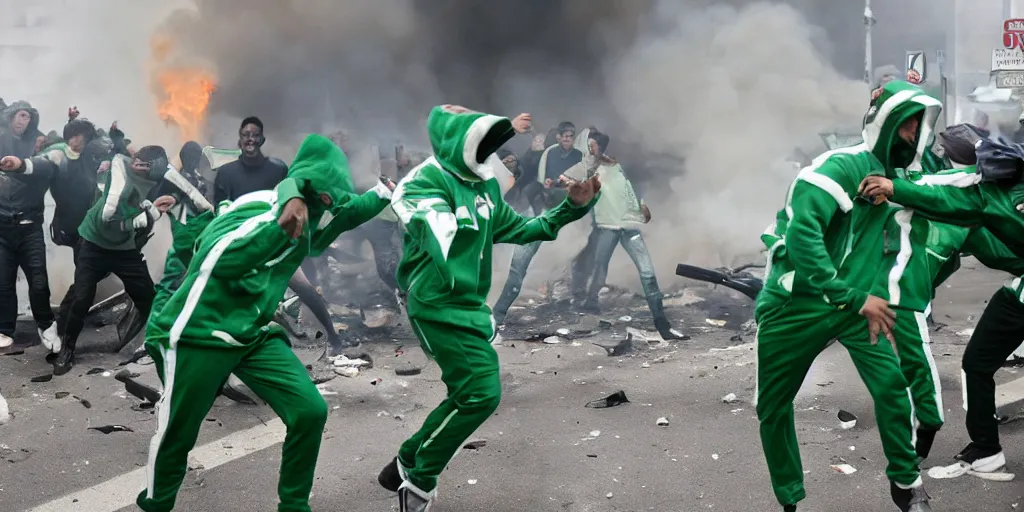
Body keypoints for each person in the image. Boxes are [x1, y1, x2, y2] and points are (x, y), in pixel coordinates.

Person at [137, 134, 393, 512]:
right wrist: (277, 230)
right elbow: (216, 257)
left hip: (252, 333)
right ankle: (156, 505)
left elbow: (343, 213)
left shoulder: (310, 211)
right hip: (200, 332)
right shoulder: (259, 209)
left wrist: (382, 195)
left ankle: (293, 506)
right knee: (178, 432)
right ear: (311, 189)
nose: (326, 210)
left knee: (309, 411)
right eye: (323, 199)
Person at [377, 105, 600, 512]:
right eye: (480, 142)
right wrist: (443, 222)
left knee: (468, 393)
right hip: (434, 305)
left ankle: (405, 460)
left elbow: (520, 228)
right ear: (456, 144)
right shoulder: (424, 181)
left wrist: (573, 207)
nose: (486, 151)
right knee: (481, 393)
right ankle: (418, 483)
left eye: (489, 143)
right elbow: (423, 216)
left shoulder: (486, 186)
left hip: (469, 307)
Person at [756, 81, 936, 512]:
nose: (915, 136)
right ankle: (789, 497)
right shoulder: (836, 167)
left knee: (893, 387)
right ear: (886, 125)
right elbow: (802, 237)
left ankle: (906, 485)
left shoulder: (898, 179)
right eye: (908, 126)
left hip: (856, 306)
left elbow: (949, 192)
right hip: (796, 304)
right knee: (773, 406)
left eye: (918, 127)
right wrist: (852, 296)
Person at [212, 117, 349, 357]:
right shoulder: (225, 174)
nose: (250, 139)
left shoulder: (278, 169)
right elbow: (219, 213)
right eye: (246, 135)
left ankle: (335, 339)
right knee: (236, 297)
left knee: (305, 288)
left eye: (255, 134)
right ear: (240, 138)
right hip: (243, 245)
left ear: (262, 139)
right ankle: (236, 348)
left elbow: (293, 200)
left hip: (276, 242)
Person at [38, 146, 176, 374]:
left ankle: (159, 345)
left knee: (148, 298)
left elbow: (141, 211)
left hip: (125, 249)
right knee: (82, 296)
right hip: (94, 245)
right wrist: (149, 215)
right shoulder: (119, 169)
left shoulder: (153, 178)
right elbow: (109, 219)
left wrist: (157, 208)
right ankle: (67, 350)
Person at [564, 130, 685, 340]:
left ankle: (662, 324)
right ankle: (590, 303)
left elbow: (626, 194)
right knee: (600, 266)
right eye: (590, 145)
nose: (594, 148)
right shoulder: (588, 167)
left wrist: (640, 213)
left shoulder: (615, 166)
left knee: (647, 273)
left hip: (629, 226)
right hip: (608, 227)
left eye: (597, 145)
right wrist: (572, 186)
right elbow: (565, 179)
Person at [0, 116, 93, 352]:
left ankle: (45, 323)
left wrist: (20, 164)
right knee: (4, 284)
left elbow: (42, 165)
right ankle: (5, 329)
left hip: (30, 230)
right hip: (3, 231)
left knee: (39, 283)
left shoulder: (47, 161)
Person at [491, 148, 547, 325]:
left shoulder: (523, 179)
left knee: (515, 274)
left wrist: (533, 150)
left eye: (512, 161)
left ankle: (496, 317)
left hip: (524, 227)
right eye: (505, 162)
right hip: (499, 230)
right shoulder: (488, 181)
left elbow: (531, 166)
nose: (509, 165)